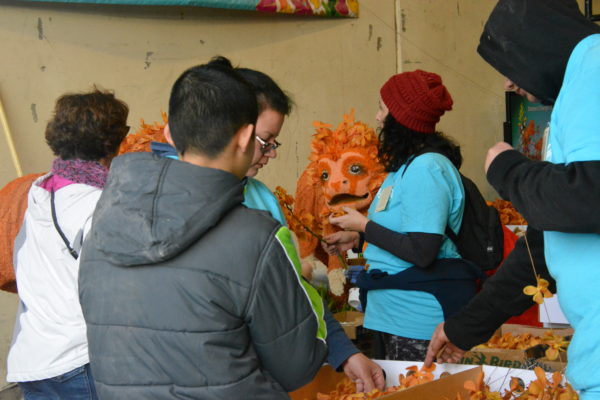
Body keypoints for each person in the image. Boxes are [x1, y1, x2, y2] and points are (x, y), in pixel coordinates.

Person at [78, 61, 328, 399]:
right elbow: (297, 366)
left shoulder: (102, 226)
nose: (267, 152)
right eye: (264, 141)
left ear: (169, 133)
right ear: (243, 136)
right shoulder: (258, 237)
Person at [151, 56, 385, 392]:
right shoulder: (162, 197)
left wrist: (343, 351)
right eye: (265, 141)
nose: (269, 153)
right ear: (234, 129)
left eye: (273, 143)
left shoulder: (261, 198)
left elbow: (295, 292)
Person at [425, 0, 600, 398]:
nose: (507, 82)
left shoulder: (595, 65)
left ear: (535, 42)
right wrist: (467, 325)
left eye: (508, 63)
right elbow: (542, 243)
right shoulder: (577, 89)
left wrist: (507, 169)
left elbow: (589, 197)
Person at [324, 70, 482, 361]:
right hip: (393, 314)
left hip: (419, 319)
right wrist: (357, 237)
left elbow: (423, 252)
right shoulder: (405, 168)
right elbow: (404, 233)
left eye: (383, 108)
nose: (377, 117)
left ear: (402, 119)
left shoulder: (427, 169)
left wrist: (365, 226)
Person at [6, 88, 129, 399]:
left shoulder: (39, 192)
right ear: (115, 139)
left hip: (32, 359)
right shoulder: (101, 203)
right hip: (78, 362)